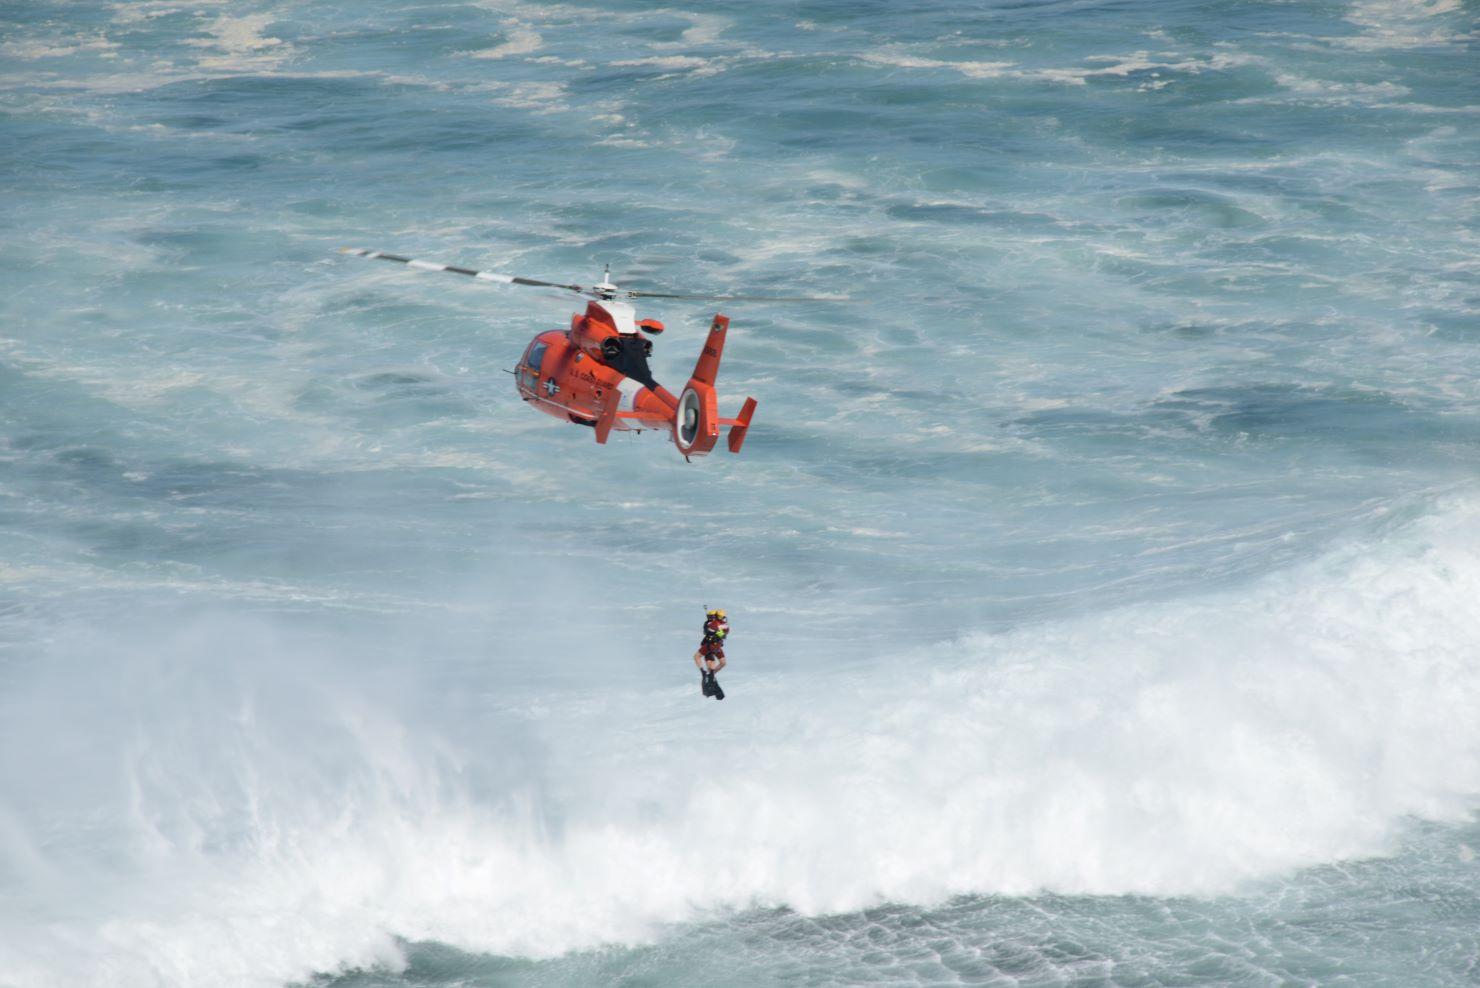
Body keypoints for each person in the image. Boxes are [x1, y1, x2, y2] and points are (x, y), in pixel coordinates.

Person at [694, 608, 729, 700]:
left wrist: (715, 630)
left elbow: (708, 631)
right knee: (722, 663)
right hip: (717, 647)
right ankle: (711, 674)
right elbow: (723, 633)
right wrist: (719, 632)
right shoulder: (722, 624)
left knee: (699, 657)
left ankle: (707, 674)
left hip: (711, 646)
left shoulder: (713, 623)